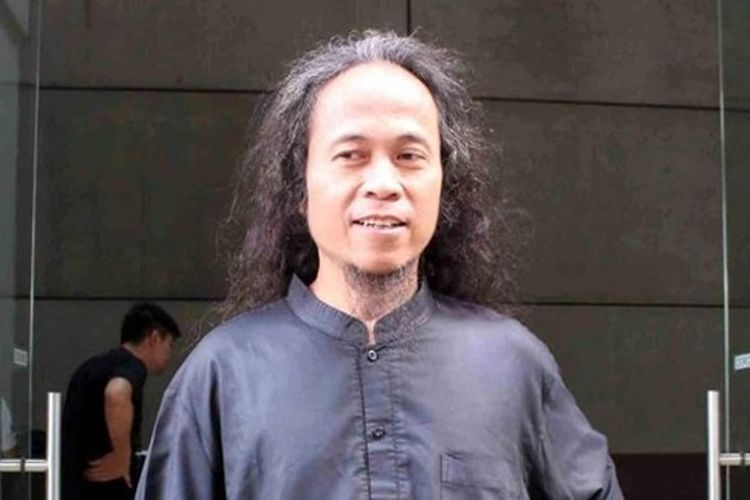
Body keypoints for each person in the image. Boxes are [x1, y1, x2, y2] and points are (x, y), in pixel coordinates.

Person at [136, 31, 623, 499]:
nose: (384, 184)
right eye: (352, 154)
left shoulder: (513, 364)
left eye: (409, 155)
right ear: (299, 187)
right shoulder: (223, 373)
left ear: (445, 185)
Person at [61, 302, 180, 500]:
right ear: (154, 338)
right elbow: (117, 393)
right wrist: (121, 458)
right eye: (169, 344)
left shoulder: (92, 367)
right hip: (104, 490)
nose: (169, 354)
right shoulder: (132, 366)